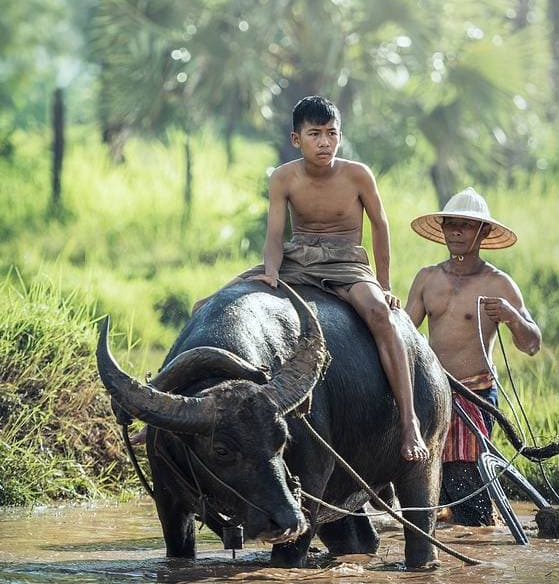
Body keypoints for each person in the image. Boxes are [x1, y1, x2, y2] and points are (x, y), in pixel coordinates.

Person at [208, 95, 428, 461]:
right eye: (315, 134)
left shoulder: (357, 174)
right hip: (299, 258)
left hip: (346, 262)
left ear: (340, 135)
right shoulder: (283, 177)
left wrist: (384, 284)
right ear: (297, 139)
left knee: (381, 316)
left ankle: (409, 422)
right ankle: (171, 413)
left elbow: (380, 225)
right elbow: (275, 235)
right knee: (209, 303)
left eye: (331, 133)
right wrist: (271, 272)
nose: (324, 142)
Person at [403, 187, 541, 525]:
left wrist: (511, 316)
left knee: (466, 483)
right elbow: (404, 334)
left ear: (484, 232)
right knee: (426, 483)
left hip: (474, 394)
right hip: (432, 393)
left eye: (465, 225)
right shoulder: (428, 278)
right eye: (451, 224)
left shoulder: (498, 284)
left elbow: (532, 344)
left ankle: (478, 530)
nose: (456, 232)